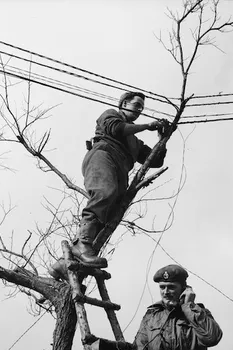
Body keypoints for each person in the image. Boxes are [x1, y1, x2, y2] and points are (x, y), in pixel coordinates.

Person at [49, 92, 167, 279]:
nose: (139, 110)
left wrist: (163, 138)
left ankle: (64, 263)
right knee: (105, 193)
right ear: (124, 103)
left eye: (141, 108)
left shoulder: (134, 142)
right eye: (136, 105)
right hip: (103, 156)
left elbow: (155, 160)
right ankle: (83, 245)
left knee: (111, 214)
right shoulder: (111, 114)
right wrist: (147, 126)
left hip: (121, 169)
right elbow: (117, 129)